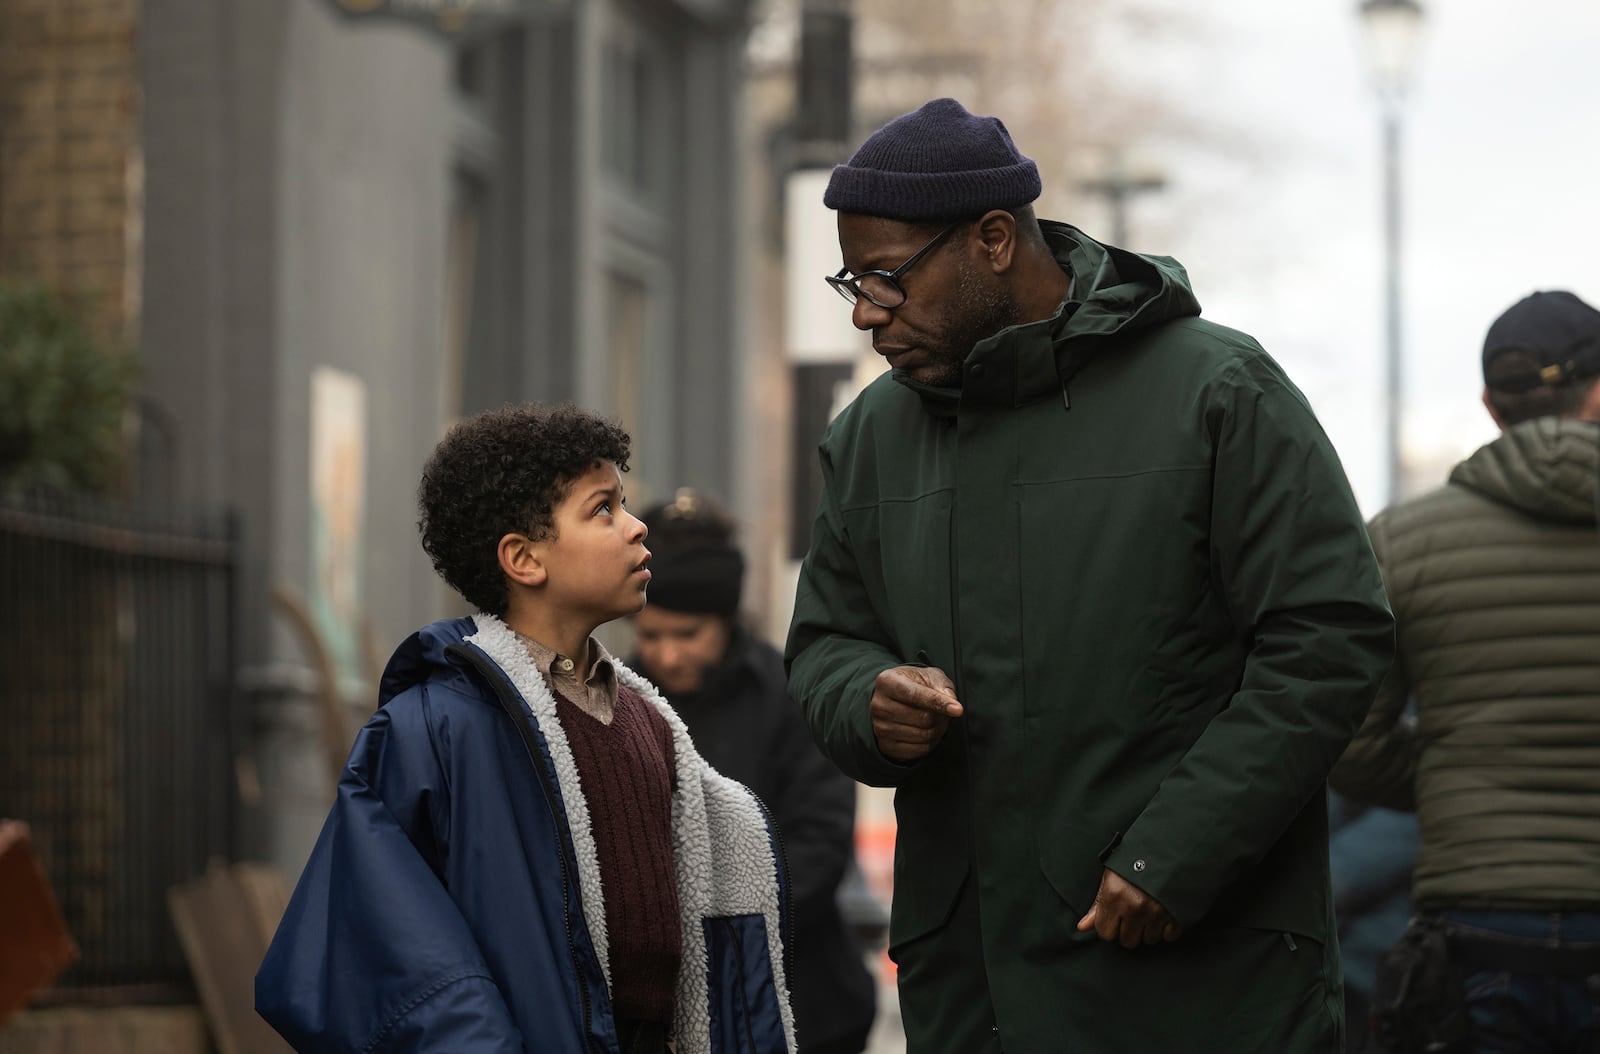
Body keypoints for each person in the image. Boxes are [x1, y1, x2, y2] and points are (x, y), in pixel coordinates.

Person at [783, 97, 1396, 1053]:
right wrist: (866, 699)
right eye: (850, 282)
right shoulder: (869, 438)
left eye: (887, 280)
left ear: (992, 240)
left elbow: (1330, 639)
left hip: (1200, 982)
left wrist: (1176, 855)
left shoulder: (1221, 392)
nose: (866, 314)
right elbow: (824, 640)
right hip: (972, 992)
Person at [256, 404, 794, 1054]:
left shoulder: (648, 723)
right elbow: (381, 948)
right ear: (524, 558)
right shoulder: (433, 729)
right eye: (604, 509)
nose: (636, 526)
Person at [1331, 290, 1600, 1053]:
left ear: (1490, 403)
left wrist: (1457, 777)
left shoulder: (1404, 541)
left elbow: (1350, 740)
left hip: (1477, 926)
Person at [630, 488, 877, 1054]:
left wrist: (711, 926)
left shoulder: (788, 698)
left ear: (724, 619)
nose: (667, 655)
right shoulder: (616, 700)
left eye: (686, 635)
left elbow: (817, 846)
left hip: (803, 1003)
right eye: (650, 635)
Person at [1327, 790, 1418, 1052]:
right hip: (1337, 968)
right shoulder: (1337, 797)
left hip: (1367, 977)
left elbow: (1335, 881)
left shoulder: (1406, 813)